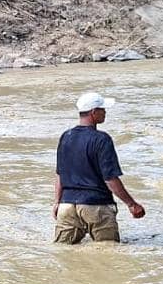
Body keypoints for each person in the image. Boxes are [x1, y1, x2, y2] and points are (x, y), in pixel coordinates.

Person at [53, 91, 146, 243]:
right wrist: (132, 204)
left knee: (64, 251)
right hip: (96, 206)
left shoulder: (66, 136)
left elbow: (59, 174)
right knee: (109, 253)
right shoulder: (102, 139)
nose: (105, 112)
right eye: (102, 109)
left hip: (67, 206)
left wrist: (57, 202)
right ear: (93, 112)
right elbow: (110, 179)